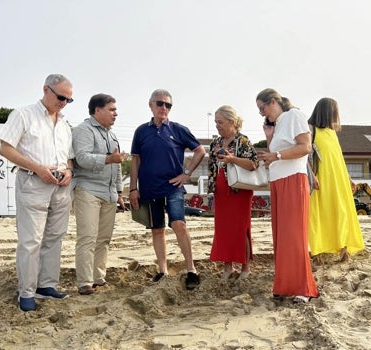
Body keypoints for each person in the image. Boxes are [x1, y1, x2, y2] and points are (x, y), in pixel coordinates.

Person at [0, 74, 75, 311]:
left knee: (54, 238)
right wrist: (38, 169)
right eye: (61, 97)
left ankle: (46, 285)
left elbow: (69, 160)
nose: (63, 103)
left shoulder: (64, 125)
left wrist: (69, 172)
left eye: (68, 100)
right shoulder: (23, 115)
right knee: (31, 241)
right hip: (32, 183)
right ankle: (27, 292)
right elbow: (5, 148)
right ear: (46, 90)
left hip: (60, 189)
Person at [129, 89, 206, 289]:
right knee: (157, 230)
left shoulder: (179, 129)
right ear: (151, 105)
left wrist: (187, 173)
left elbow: (200, 150)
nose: (164, 108)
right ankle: (162, 271)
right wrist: (132, 189)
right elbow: (135, 160)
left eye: (168, 105)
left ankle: (191, 270)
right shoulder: (141, 131)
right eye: (160, 103)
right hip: (149, 189)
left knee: (179, 224)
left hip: (173, 187)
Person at [256, 88, 319, 303]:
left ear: (273, 101)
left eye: (262, 108)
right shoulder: (280, 123)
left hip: (293, 179)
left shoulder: (294, 115)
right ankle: (285, 285)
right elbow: (277, 155)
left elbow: (305, 147)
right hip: (278, 181)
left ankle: (304, 288)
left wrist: (276, 154)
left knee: (294, 236)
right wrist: (269, 138)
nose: (263, 114)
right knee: (281, 236)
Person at [72, 93, 126, 295]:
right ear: (97, 110)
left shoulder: (112, 135)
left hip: (109, 194)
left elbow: (118, 166)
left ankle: (98, 278)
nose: (116, 113)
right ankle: (84, 282)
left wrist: (119, 192)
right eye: (111, 109)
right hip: (88, 190)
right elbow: (82, 158)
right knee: (87, 237)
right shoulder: (83, 130)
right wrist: (108, 159)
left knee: (103, 239)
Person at [307, 97, 364, 262]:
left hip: (337, 179)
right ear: (327, 112)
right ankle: (316, 252)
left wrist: (348, 178)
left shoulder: (332, 133)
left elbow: (338, 158)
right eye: (334, 112)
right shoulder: (311, 129)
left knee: (341, 211)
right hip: (321, 178)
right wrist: (311, 176)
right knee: (318, 213)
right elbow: (305, 156)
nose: (336, 116)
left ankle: (343, 247)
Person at [207, 105, 258, 280]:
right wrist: (211, 190)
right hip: (221, 190)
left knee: (241, 228)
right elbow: (212, 167)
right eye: (215, 122)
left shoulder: (242, 141)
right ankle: (227, 268)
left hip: (239, 190)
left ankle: (245, 268)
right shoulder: (215, 142)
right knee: (223, 229)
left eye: (220, 122)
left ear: (231, 122)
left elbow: (253, 164)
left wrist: (232, 159)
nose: (217, 125)